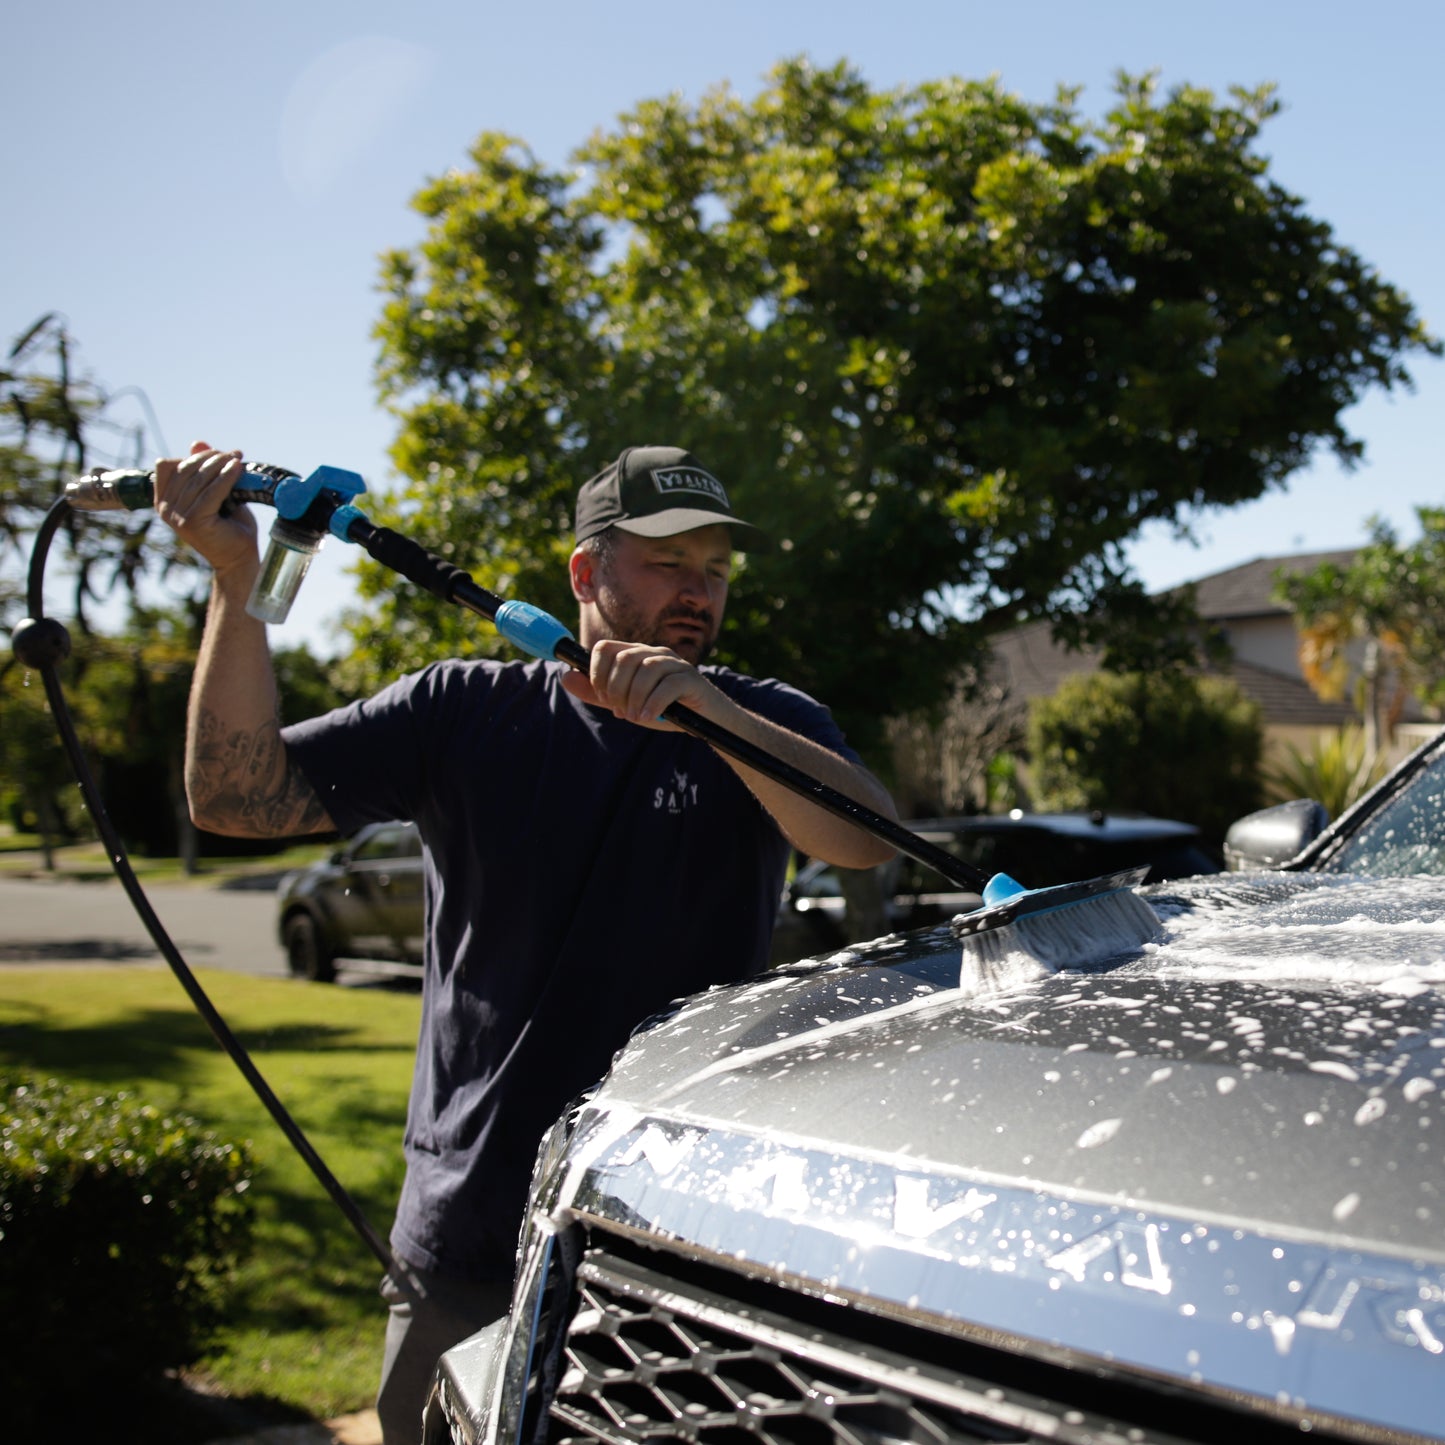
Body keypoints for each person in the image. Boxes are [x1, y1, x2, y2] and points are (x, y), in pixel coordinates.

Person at [154, 440, 897, 1443]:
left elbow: (863, 842)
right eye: (668, 561)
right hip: (469, 1231)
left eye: (715, 569)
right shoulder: (462, 710)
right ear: (585, 573)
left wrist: (709, 716)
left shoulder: (762, 722)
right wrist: (241, 581)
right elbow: (234, 797)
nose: (699, 590)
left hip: (683, 1232)